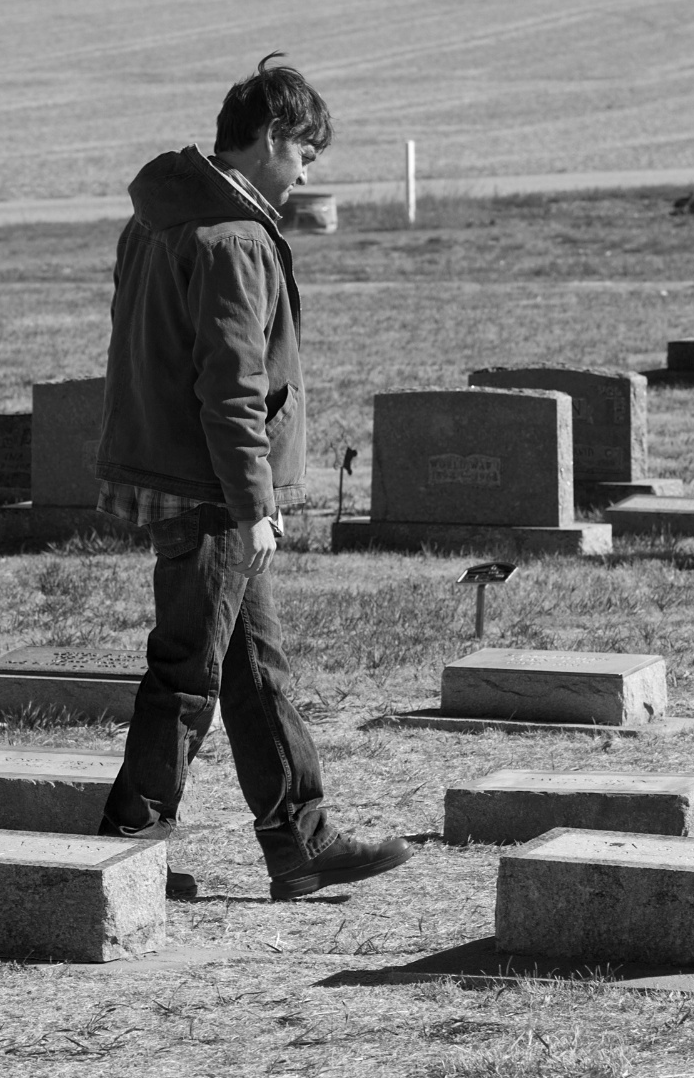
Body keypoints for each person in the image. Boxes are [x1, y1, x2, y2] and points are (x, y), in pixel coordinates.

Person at [93, 53, 412, 901]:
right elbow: (231, 387)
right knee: (189, 671)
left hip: (182, 476)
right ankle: (129, 845)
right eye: (305, 152)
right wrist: (254, 503)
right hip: (212, 491)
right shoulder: (233, 238)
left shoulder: (161, 216)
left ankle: (298, 841)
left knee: (253, 669)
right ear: (271, 136)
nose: (307, 172)